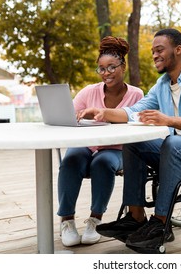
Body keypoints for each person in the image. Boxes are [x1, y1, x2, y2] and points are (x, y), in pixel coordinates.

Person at [78, 28, 181, 251]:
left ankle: (160, 223)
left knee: (172, 143)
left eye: (159, 50)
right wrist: (101, 111)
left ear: (178, 50)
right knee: (132, 138)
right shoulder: (162, 86)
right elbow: (133, 111)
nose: (155, 55)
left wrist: (169, 120)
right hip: (174, 150)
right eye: (153, 52)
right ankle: (136, 216)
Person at [57, 36, 144, 247]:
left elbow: (138, 122)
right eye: (102, 69)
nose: (106, 73)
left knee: (102, 163)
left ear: (123, 66)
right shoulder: (89, 91)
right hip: (87, 144)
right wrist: (80, 116)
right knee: (72, 159)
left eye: (111, 67)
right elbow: (68, 115)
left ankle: (95, 220)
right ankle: (67, 221)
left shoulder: (136, 94)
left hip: (116, 150)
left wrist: (106, 115)